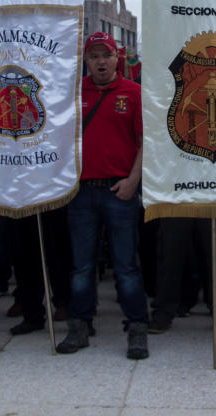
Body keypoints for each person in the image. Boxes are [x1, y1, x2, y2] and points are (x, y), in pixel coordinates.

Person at [57, 32, 149, 360]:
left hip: (118, 191)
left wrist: (132, 181)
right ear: (85, 60)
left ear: (116, 58)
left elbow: (145, 141)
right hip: (81, 191)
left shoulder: (134, 93)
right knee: (82, 266)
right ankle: (80, 325)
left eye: (105, 55)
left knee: (126, 265)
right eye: (93, 55)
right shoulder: (71, 92)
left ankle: (137, 325)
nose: (99, 61)